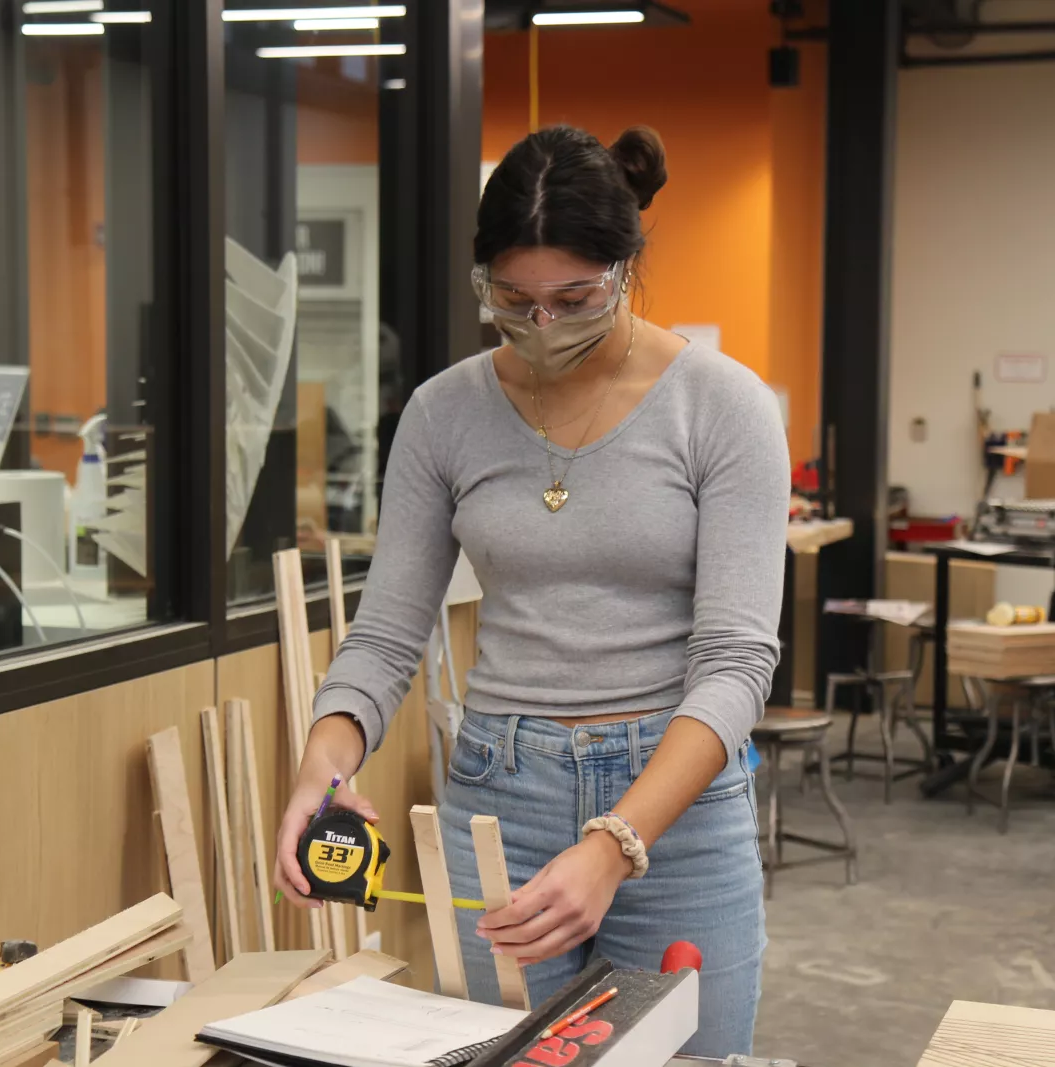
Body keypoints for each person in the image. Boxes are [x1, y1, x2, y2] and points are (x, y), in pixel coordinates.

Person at [273, 124, 789, 1057]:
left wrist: (616, 843)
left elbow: (737, 661)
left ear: (626, 268)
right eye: (513, 298)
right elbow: (387, 637)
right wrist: (325, 756)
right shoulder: (443, 414)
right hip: (503, 795)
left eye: (573, 298)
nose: (543, 324)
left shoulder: (725, 407)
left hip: (675, 803)